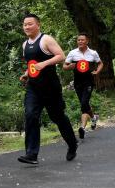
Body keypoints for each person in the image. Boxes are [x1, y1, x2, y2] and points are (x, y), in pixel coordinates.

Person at [18, 14, 78, 164]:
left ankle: (72, 143)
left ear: (38, 25)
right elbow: (32, 64)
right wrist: (26, 74)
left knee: (57, 117)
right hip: (33, 88)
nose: (27, 27)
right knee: (31, 115)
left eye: (30, 24)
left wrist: (44, 64)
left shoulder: (46, 39)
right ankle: (31, 154)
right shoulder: (25, 45)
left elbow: (61, 56)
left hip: (50, 87)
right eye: (25, 24)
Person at [63, 33, 104, 138]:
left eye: (82, 40)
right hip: (77, 83)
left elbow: (100, 63)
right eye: (78, 40)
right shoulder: (72, 53)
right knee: (84, 103)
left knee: (84, 103)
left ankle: (82, 128)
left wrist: (97, 71)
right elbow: (64, 66)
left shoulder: (93, 53)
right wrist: (70, 66)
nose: (80, 41)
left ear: (87, 41)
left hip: (89, 82)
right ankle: (94, 117)